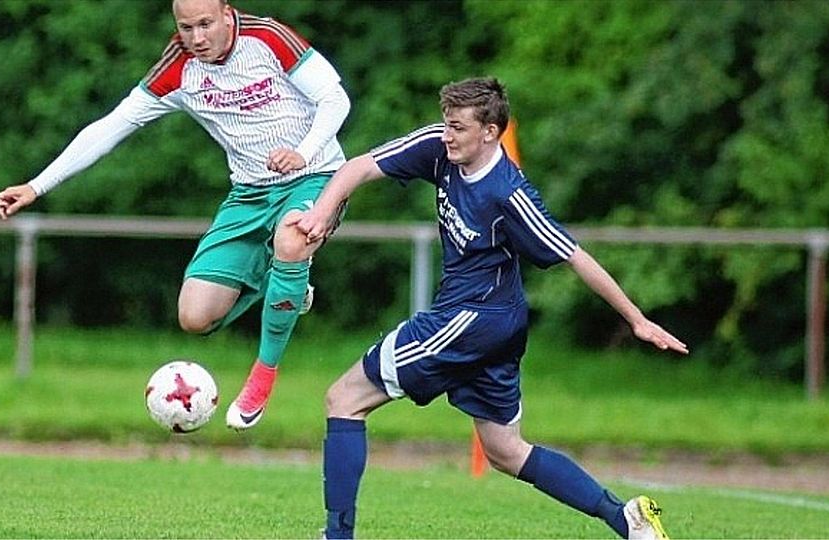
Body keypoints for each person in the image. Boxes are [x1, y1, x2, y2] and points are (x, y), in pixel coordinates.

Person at [294, 77, 688, 539]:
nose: (447, 135)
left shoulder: (509, 195)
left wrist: (637, 319)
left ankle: (336, 536)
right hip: (493, 322)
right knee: (505, 450)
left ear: (490, 132)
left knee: (344, 398)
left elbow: (575, 256)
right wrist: (322, 212)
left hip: (472, 320)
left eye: (458, 128)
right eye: (446, 124)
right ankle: (627, 519)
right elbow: (358, 167)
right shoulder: (440, 148)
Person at [0, 0, 350, 431]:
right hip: (250, 192)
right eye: (186, 28)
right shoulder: (180, 67)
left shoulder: (268, 37)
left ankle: (263, 376)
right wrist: (37, 185)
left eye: (206, 24)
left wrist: (302, 152)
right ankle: (288, 289)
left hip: (317, 175)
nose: (198, 38)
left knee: (292, 238)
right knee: (196, 317)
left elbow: (335, 99)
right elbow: (113, 125)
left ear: (226, 12)